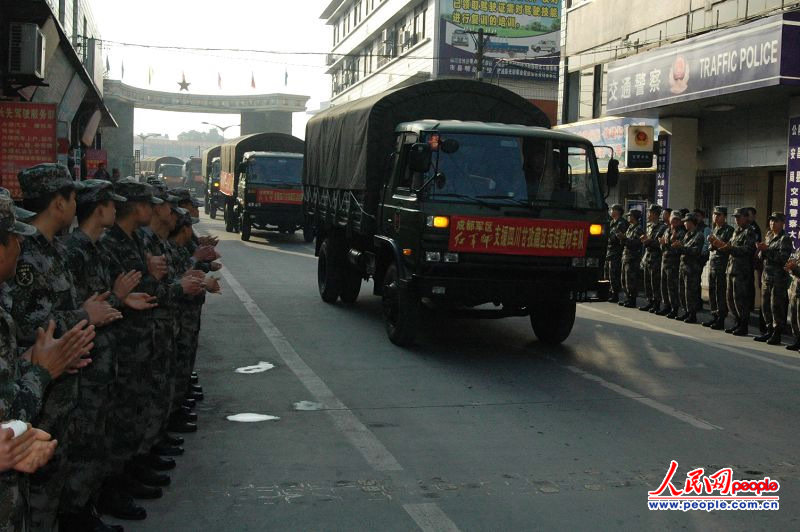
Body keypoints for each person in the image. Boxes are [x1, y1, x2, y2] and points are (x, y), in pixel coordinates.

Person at [1, 164, 120, 530]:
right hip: (33, 400)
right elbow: (29, 324)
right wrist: (81, 316)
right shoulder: (32, 258)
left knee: (52, 481)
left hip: (51, 390)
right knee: (37, 493)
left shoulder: (53, 250)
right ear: (59, 202)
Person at [60, 179, 158, 530]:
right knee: (86, 441)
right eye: (110, 204)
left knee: (103, 434)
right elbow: (78, 308)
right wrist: (116, 298)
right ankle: (79, 512)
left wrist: (121, 299)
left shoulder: (96, 248)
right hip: (84, 362)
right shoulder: (74, 251)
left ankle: (97, 499)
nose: (116, 210)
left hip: (105, 356)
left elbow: (103, 301)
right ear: (97, 208)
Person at [99, 178, 166, 519]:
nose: (153, 209)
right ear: (136, 206)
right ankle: (115, 487)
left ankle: (131, 470)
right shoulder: (113, 244)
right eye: (148, 203)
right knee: (120, 418)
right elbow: (115, 295)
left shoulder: (132, 240)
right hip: (121, 344)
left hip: (137, 340)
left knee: (133, 412)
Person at [712, 208, 757, 336]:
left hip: (742, 271)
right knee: (730, 298)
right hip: (731, 268)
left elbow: (747, 249)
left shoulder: (749, 232)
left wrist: (730, 248)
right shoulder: (736, 231)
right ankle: (737, 322)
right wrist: (721, 245)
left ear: (746, 218)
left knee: (740, 299)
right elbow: (729, 246)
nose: (736, 220)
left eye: (739, 217)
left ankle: (743, 325)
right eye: (736, 217)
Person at [754, 212, 793, 345]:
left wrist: (767, 251)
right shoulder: (769, 236)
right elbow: (762, 256)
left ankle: (777, 333)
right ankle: (769, 330)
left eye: (775, 221)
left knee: (776, 306)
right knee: (766, 306)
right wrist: (760, 251)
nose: (772, 223)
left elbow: (783, 259)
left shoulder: (785, 239)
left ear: (782, 223)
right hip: (767, 277)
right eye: (771, 221)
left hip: (778, 279)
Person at [702, 207, 734, 329]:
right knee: (712, 291)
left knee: (720, 292)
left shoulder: (729, 230)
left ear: (724, 216)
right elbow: (711, 247)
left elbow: (727, 247)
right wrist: (712, 243)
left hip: (722, 265)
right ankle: (714, 315)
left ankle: (721, 318)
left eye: (718, 215)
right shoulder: (715, 229)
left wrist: (716, 242)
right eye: (714, 214)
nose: (715, 217)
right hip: (713, 263)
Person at [672, 213, 705, 323]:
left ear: (691, 222)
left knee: (691, 292)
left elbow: (695, 251)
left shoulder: (698, 235)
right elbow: (681, 249)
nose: (684, 223)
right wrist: (676, 245)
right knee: (682, 291)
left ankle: (692, 314)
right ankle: (686, 311)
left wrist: (681, 247)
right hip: (683, 267)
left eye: (686, 221)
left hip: (692, 268)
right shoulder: (687, 234)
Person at [657, 212, 686, 318]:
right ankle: (666, 306)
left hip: (674, 263)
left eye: (677, 220)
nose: (674, 222)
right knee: (663, 285)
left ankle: (674, 308)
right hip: (664, 261)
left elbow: (678, 249)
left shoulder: (681, 233)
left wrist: (667, 244)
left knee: (672, 287)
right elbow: (662, 247)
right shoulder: (667, 230)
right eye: (673, 219)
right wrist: (663, 244)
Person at [639, 204, 667, 312]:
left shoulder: (662, 227)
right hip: (648, 257)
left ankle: (656, 303)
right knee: (647, 282)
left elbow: (660, 244)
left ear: (655, 214)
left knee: (655, 282)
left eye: (650, 212)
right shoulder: (649, 226)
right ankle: (650, 301)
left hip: (656, 258)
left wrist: (649, 241)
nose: (648, 214)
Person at [618, 209, 644, 308]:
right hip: (626, 256)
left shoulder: (638, 229)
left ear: (634, 217)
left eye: (630, 215)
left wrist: (624, 239)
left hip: (633, 258)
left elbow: (636, 243)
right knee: (624, 279)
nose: (628, 217)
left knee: (631, 280)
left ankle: (632, 299)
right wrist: (622, 238)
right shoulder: (630, 228)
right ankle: (627, 298)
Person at [605, 204, 628, 303]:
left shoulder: (621, 223)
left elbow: (616, 238)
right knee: (608, 273)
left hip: (616, 252)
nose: (611, 211)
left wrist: (610, 237)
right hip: (609, 251)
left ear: (617, 211)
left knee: (614, 273)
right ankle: (609, 291)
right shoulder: (611, 222)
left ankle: (615, 294)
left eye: (613, 210)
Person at [784, 247, 800, 350]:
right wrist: (791, 267)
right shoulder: (798, 250)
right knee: (794, 317)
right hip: (795, 287)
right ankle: (797, 340)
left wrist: (794, 268)